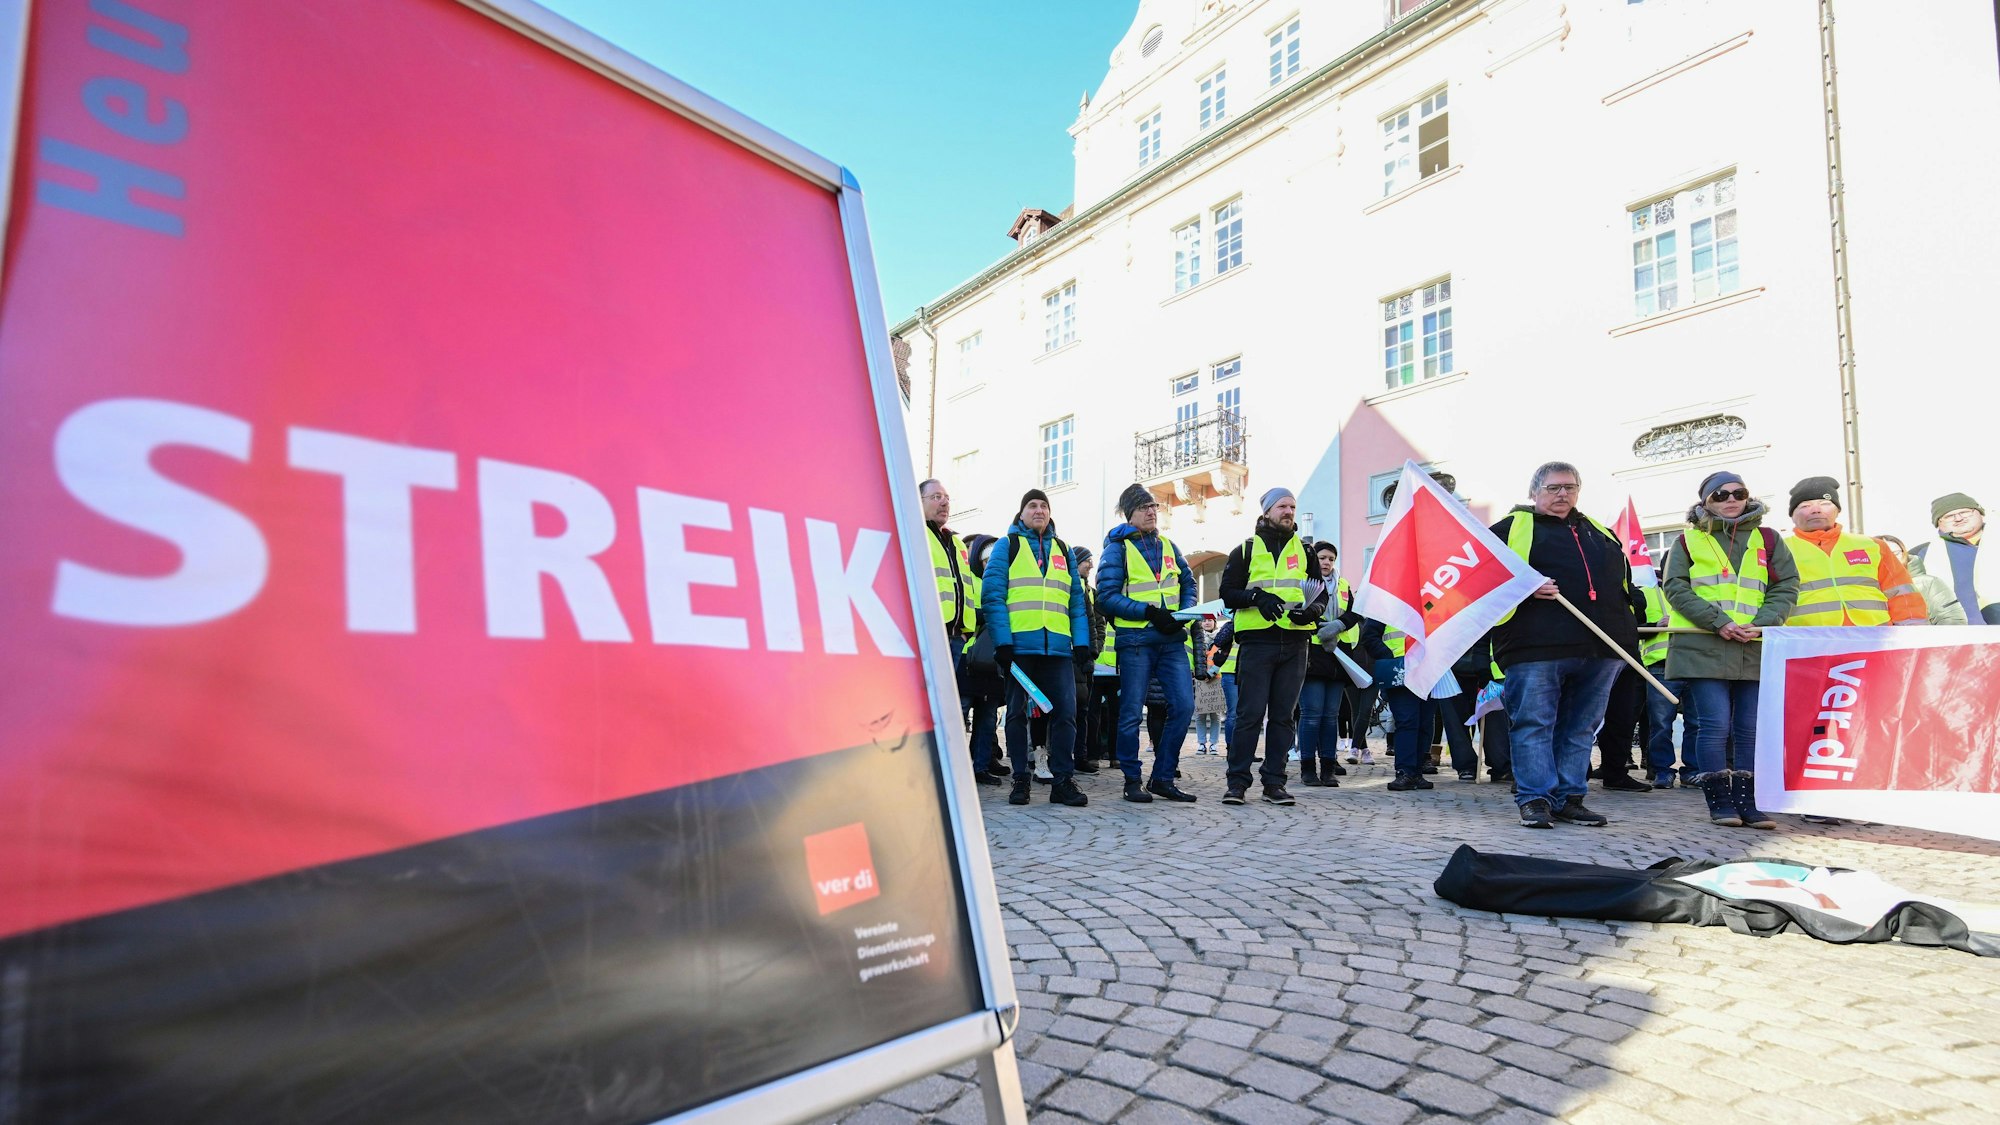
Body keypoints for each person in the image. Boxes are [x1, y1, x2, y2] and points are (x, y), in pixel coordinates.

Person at [1489, 462, 1641, 829]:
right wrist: (1522, 588)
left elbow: (1623, 585)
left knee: (1581, 727)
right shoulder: (1508, 530)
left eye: (1570, 488)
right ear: (1534, 491)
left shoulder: (1600, 532)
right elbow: (1481, 580)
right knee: (1534, 723)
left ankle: (1570, 797)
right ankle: (1536, 798)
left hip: (1602, 648)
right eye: (1554, 488)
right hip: (1534, 645)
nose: (1563, 494)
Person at [1661, 471, 1800, 829]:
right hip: (1704, 644)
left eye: (1738, 492)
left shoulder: (1768, 539)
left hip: (1754, 643)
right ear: (1705, 502)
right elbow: (1675, 588)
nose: (1730, 499)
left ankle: (1749, 803)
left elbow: (1786, 586)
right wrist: (1718, 622)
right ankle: (1720, 802)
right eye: (1720, 495)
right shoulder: (1687, 541)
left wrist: (1765, 622)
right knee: (1714, 725)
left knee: (1749, 728)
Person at [1219, 488, 1335, 806]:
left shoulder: (1306, 551)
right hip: (1257, 641)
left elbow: (1320, 592)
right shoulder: (1246, 549)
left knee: (1283, 717)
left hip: (1295, 641)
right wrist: (1257, 597)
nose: (1289, 511)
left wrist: (1313, 610)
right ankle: (1237, 784)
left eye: (1293, 506)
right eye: (1282, 506)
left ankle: (1274, 783)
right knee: (1249, 716)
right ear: (1268, 511)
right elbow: (1227, 592)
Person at [981, 490, 1092, 808]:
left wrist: (1081, 642)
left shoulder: (1063, 549)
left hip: (1057, 649)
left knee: (1066, 715)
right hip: (1019, 648)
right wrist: (1003, 642)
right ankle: (1020, 780)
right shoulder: (1007, 546)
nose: (1039, 510)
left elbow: (1075, 600)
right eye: (1032, 505)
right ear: (1022, 513)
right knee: (1016, 714)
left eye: (1044, 505)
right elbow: (993, 595)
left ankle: (1062, 781)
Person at [1097, 484, 1200, 803]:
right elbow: (1106, 598)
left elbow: (1188, 582)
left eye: (1154, 506)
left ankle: (1163, 777)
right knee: (1129, 713)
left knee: (1183, 706)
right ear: (1130, 514)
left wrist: (1184, 614)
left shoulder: (1169, 545)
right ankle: (1131, 779)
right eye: (1144, 507)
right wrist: (1149, 612)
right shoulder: (1117, 549)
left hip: (1171, 640)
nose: (1152, 512)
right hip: (1136, 641)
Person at [1783, 477, 1929, 627]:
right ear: (1792, 515)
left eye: (1825, 503)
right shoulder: (1778, 551)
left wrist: (1913, 634)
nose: (1816, 509)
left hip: (1876, 639)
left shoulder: (1872, 546)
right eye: (1805, 506)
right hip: (1810, 643)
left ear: (1838, 510)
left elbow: (1902, 593)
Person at [1296, 540, 1352, 787]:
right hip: (1312, 652)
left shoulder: (1344, 584)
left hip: (1338, 654)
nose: (1327, 562)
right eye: (1322, 558)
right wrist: (1320, 630)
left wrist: (1337, 626)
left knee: (1331, 716)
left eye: (1331, 558)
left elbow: (1355, 611)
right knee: (1311, 714)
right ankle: (1308, 769)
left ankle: (1328, 767)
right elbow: (1297, 613)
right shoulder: (1303, 583)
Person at [1360, 619, 1434, 792]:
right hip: (1399, 670)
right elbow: (1369, 636)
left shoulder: (1432, 600)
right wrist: (1390, 658)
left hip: (1428, 670)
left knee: (1424, 722)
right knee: (1407, 721)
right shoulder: (1388, 601)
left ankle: (1416, 772)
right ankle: (1405, 772)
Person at [1910, 493, 1998, 625]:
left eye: (1965, 512)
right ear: (1938, 523)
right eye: (1949, 516)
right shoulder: (1920, 555)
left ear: (1980, 513)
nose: (1958, 518)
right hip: (1956, 636)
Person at [961, 533, 1007, 784]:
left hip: (993, 662)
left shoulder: (1004, 583)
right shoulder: (969, 580)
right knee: (962, 713)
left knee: (987, 719)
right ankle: (956, 768)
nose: (990, 562)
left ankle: (980, 767)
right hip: (968, 659)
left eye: (994, 558)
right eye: (986, 558)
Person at [921, 479, 977, 674]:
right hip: (928, 635)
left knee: (944, 701)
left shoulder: (958, 543)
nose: (944, 503)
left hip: (956, 637)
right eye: (936, 497)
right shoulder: (916, 535)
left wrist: (966, 632)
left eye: (946, 498)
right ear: (918, 502)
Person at [1069, 546, 1104, 774]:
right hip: (1065, 656)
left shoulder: (1090, 592)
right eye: (1087, 561)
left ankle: (1080, 755)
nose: (1091, 566)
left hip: (1084, 661)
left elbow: (1097, 623)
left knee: (1082, 710)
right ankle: (1052, 756)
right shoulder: (1068, 585)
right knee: (1063, 710)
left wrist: (1094, 650)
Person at [1879, 535, 1967, 625]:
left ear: (1904, 553)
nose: (1891, 559)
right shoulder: (1869, 589)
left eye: (1895, 554)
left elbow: (1952, 620)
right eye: (1883, 555)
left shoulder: (1929, 583)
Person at [1192, 617, 1227, 754]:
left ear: (1215, 623)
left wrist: (1211, 673)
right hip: (1199, 679)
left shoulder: (1221, 638)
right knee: (1200, 715)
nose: (1207, 622)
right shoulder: (1197, 638)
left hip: (1216, 679)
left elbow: (1222, 657)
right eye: (1204, 620)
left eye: (1210, 620)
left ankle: (1213, 744)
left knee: (1215, 716)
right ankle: (1201, 743)